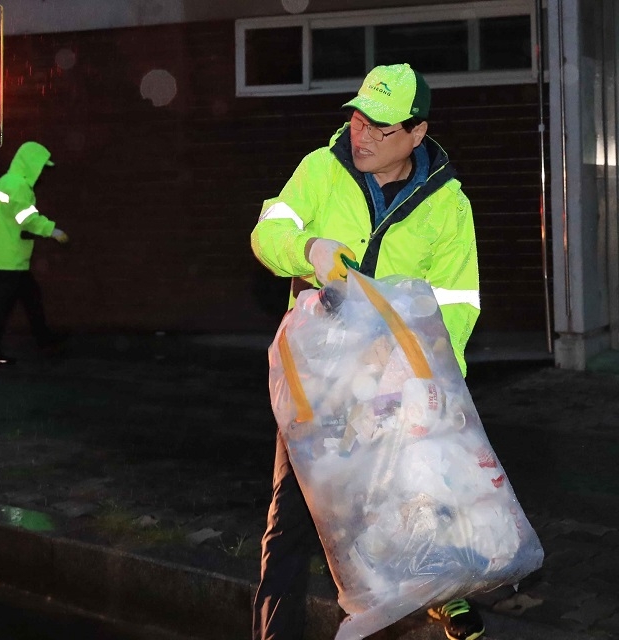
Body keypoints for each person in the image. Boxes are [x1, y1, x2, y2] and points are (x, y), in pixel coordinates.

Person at [250, 64, 482, 640]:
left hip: (397, 380)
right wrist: (307, 249)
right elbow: (265, 232)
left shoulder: (447, 205)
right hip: (320, 379)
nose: (363, 136)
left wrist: (429, 378)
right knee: (295, 515)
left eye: (381, 128)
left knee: (420, 496)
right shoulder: (320, 171)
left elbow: (456, 304)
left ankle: (441, 593)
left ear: (416, 133)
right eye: (358, 119)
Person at [0, 140, 69, 366]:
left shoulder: (1, 184)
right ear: (31, 164)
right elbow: (27, 220)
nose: (41, 172)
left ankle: (45, 341)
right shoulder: (19, 187)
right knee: (4, 306)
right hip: (12, 257)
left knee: (30, 297)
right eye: (40, 166)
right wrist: (52, 230)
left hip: (3, 256)